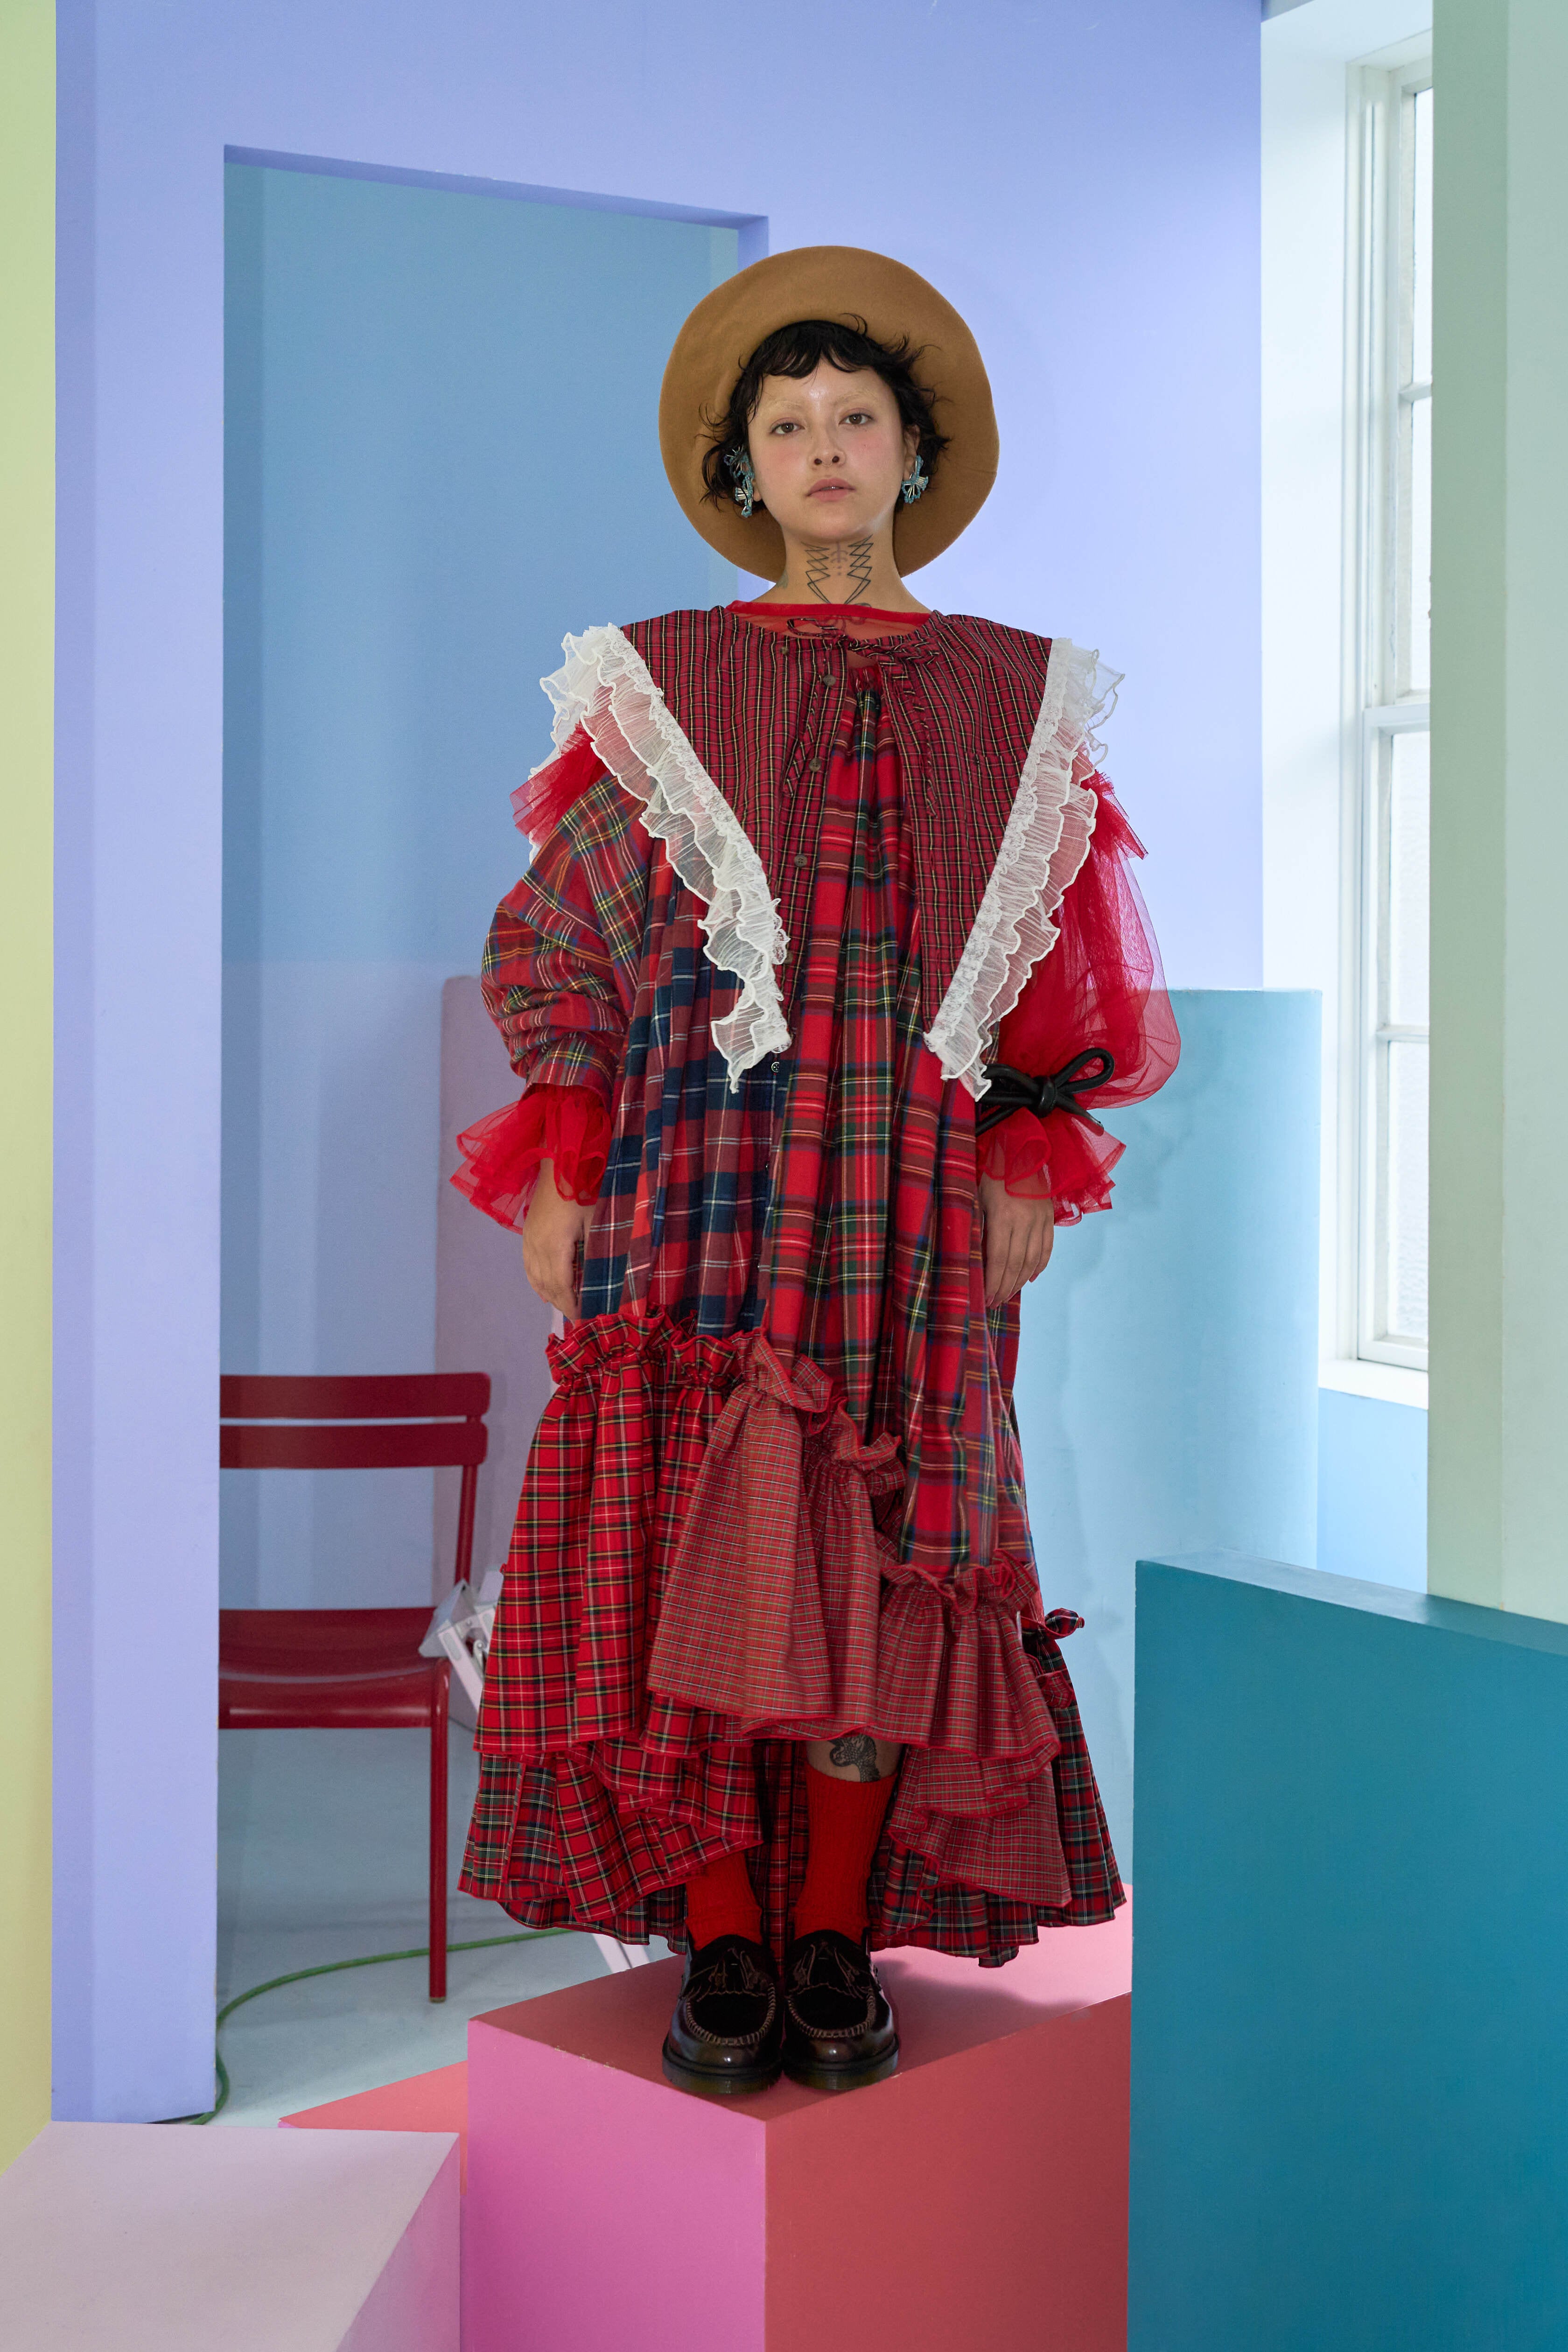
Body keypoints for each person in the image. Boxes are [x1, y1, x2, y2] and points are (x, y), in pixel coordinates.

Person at [452, 246, 1179, 2097]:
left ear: (913, 453)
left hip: (908, 1188)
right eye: (789, 425)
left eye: (858, 417)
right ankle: (722, 1939)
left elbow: (1063, 956)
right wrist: (564, 1150)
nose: (827, 448)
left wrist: (1031, 1142)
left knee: (886, 1541)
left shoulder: (1013, 695)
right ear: (746, 466)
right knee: (677, 1536)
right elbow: (568, 925)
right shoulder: (665, 681)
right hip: (696, 1177)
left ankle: (836, 1934)